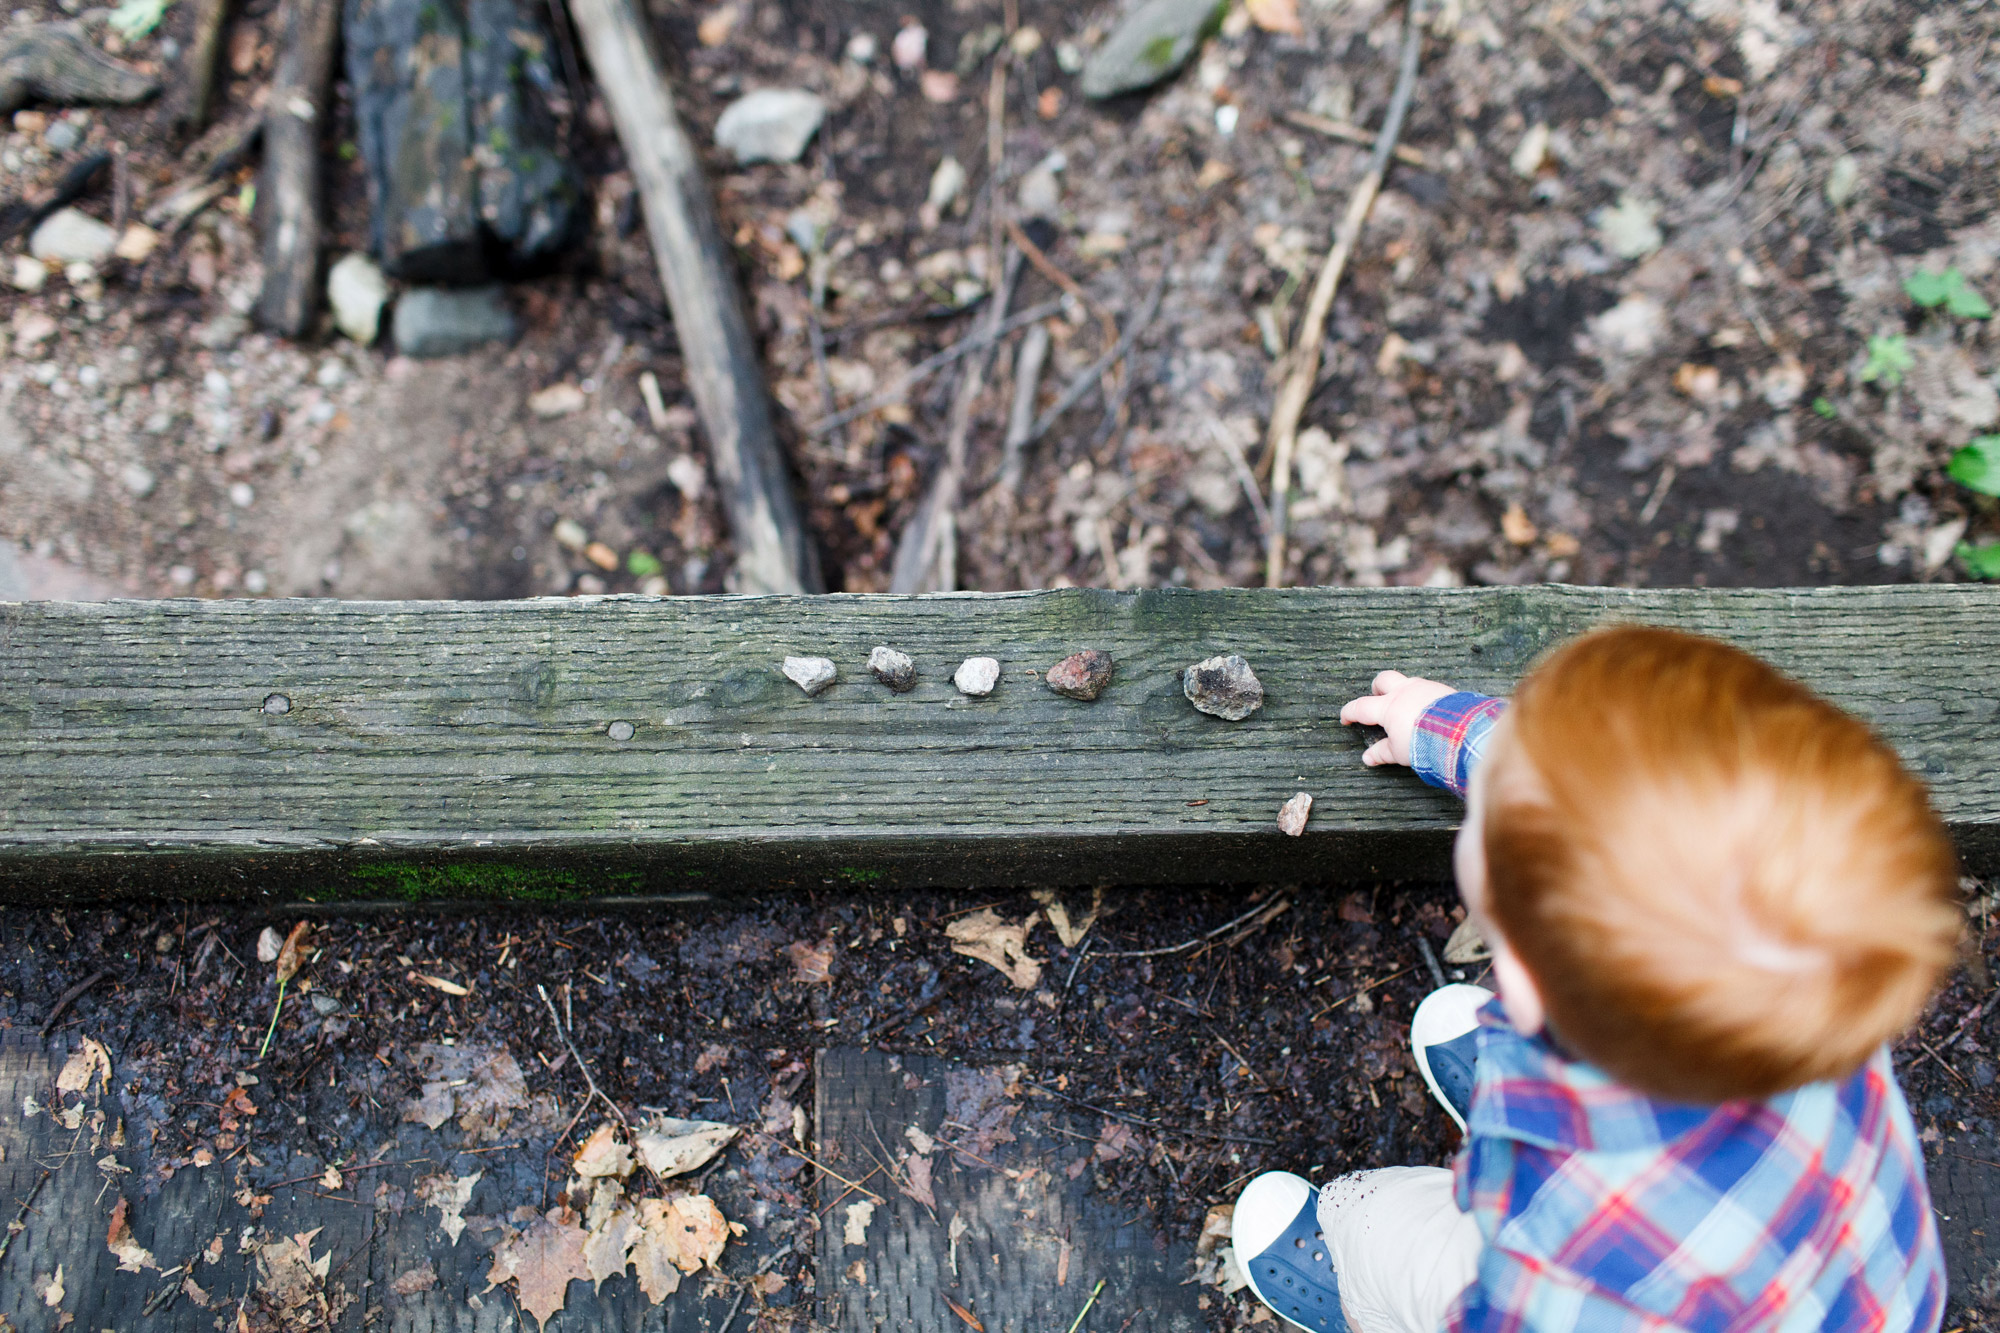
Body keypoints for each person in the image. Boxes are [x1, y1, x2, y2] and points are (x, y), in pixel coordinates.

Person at [1231, 625, 1960, 1333]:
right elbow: (1618, 804)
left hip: (1533, 1278)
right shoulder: (1813, 971)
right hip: (1868, 1295)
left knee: (1397, 1238)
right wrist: (1449, 731)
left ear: (1523, 982)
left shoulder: (1562, 1263)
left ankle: (1358, 1286)